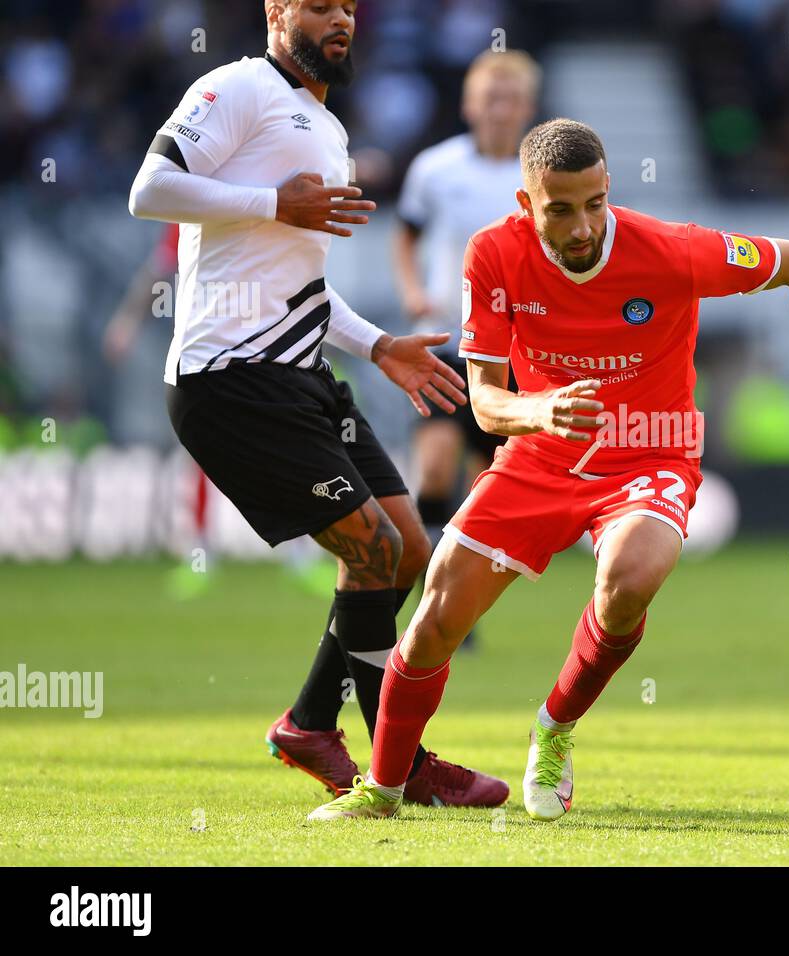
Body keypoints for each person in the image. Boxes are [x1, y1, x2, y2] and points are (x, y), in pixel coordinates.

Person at [308, 118, 789, 823]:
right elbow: (488, 402)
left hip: (652, 452)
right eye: (561, 208)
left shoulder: (672, 251)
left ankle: (554, 729)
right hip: (539, 452)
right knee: (436, 615)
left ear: (608, 188)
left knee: (631, 578)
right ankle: (383, 788)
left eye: (595, 203)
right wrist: (541, 413)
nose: (583, 225)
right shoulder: (494, 254)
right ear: (527, 206)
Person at [127, 0, 506, 809]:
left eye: (348, 8)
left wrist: (380, 348)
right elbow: (149, 189)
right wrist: (276, 205)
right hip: (229, 379)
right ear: (275, 13)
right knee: (370, 549)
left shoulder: (325, 130)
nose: (340, 19)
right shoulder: (236, 88)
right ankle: (399, 766)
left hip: (301, 374)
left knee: (405, 549)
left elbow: (299, 286)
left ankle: (309, 722)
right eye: (319, 6)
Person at [392, 50, 539, 621]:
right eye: (490, 97)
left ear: (528, 107)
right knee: (433, 466)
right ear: (469, 104)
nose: (500, 110)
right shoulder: (435, 168)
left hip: (513, 351)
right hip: (446, 341)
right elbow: (405, 235)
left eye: (512, 99)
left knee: (486, 486)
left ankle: (459, 607)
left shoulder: (538, 174)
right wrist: (411, 289)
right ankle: (430, 587)